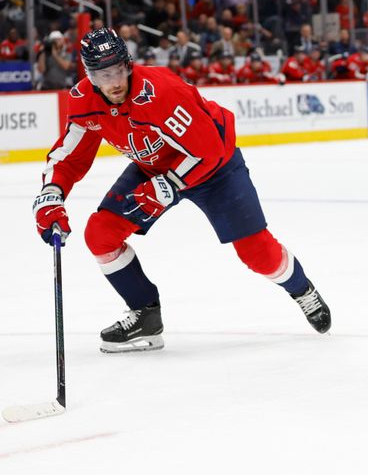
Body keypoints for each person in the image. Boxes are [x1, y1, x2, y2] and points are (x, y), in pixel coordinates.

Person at [32, 28, 331, 353]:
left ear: (129, 64)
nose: (114, 82)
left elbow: (209, 148)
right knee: (101, 233)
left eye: (118, 70)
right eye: (104, 74)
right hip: (155, 168)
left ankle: (301, 289)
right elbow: (70, 155)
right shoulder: (84, 101)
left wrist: (168, 185)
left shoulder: (161, 90)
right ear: (90, 76)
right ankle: (146, 316)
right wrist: (52, 193)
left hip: (216, 168)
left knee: (257, 254)